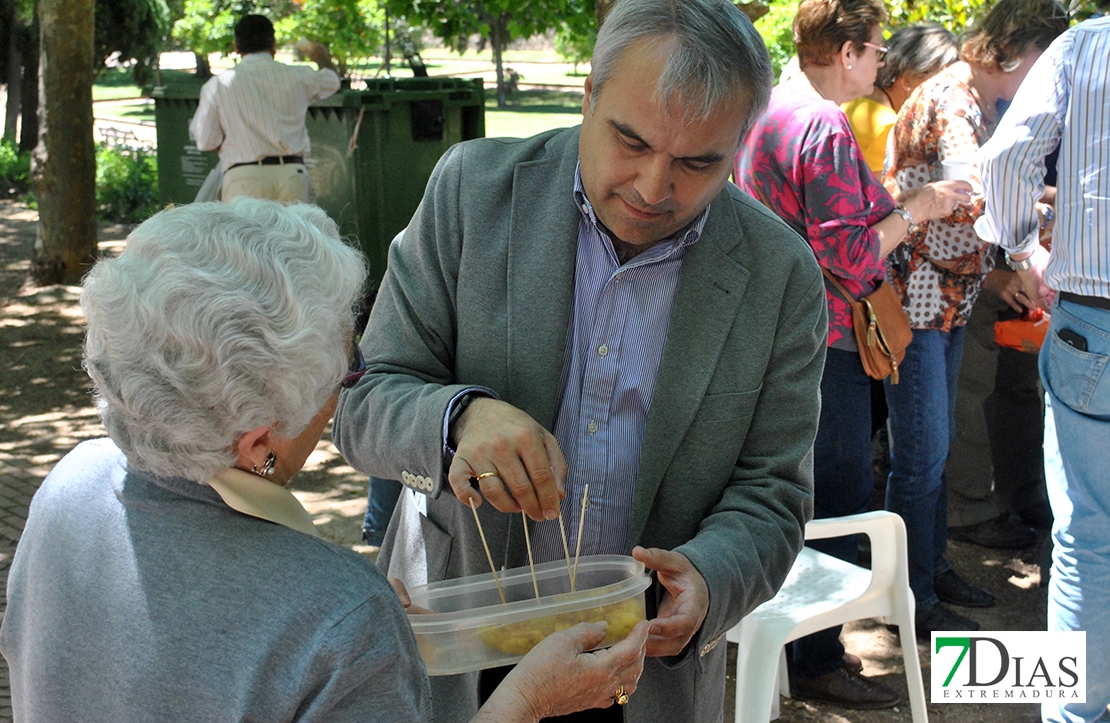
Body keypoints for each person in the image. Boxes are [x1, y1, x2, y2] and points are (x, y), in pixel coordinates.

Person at [332, 0, 829, 720]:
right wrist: (458, 419)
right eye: (630, 141)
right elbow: (363, 400)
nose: (654, 189)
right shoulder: (472, 192)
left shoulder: (780, 275)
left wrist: (712, 577)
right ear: (589, 92)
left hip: (642, 673)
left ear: (740, 143)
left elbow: (774, 494)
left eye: (698, 163)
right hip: (458, 653)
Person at [0, 200, 649, 723]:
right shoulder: (339, 617)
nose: (350, 383)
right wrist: (527, 700)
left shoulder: (67, 487)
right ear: (259, 442)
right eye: (347, 371)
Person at [735, 0, 970, 708]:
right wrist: (920, 208)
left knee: (791, 488)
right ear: (845, 52)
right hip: (826, 337)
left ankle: (789, 649)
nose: (879, 67)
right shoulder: (825, 124)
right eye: (873, 53)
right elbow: (852, 253)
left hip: (775, 330)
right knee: (834, 495)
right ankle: (815, 656)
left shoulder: (769, 108)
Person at [881, 0, 1068, 637]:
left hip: (946, 299)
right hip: (915, 300)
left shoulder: (970, 99)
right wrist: (1031, 244)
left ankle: (929, 571)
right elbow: (972, 200)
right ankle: (907, 596)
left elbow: (991, 186)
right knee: (920, 456)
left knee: (933, 452)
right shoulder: (953, 101)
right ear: (1013, 53)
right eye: (1048, 61)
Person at [977, 13, 1110, 722]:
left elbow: (1006, 159)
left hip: (1096, 315)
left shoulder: (1087, 44)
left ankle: (1075, 713)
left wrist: (1022, 248)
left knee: (1090, 536)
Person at [189, 15, 340, 202]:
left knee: (246, 232)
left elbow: (205, 141)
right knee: (292, 232)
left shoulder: (218, 85)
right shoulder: (298, 76)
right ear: (273, 44)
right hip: (292, 175)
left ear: (236, 46)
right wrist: (322, 58)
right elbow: (332, 82)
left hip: (244, 177)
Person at [842, 21, 959, 176]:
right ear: (908, 80)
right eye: (940, 82)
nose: (948, 92)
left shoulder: (853, 100)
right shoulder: (888, 127)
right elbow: (878, 197)